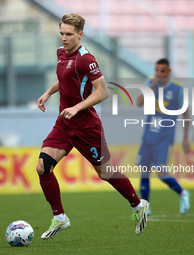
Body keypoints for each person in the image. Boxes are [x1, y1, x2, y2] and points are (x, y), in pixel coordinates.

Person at [36, 13, 149, 240]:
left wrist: (77, 108)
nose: (64, 38)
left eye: (69, 34)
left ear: (80, 34)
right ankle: (60, 218)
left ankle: (138, 205)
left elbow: (103, 91)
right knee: (42, 167)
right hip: (64, 123)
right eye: (62, 33)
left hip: (87, 127)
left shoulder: (87, 59)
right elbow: (64, 77)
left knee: (105, 173)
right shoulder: (61, 53)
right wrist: (49, 92)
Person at [136, 58, 191, 215]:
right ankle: (145, 207)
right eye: (156, 70)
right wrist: (150, 87)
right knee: (144, 171)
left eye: (162, 71)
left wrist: (185, 137)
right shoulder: (150, 83)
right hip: (148, 135)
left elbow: (186, 113)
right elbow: (139, 103)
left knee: (161, 173)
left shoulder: (178, 89)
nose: (158, 74)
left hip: (165, 138)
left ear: (169, 72)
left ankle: (182, 193)